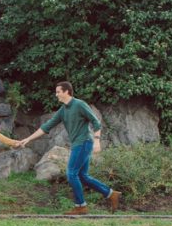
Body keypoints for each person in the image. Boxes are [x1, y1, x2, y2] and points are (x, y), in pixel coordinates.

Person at [16, 81, 121, 215]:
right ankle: (111, 194)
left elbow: (96, 121)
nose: (56, 95)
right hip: (79, 143)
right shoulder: (63, 110)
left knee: (71, 173)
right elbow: (46, 127)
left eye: (58, 92)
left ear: (66, 92)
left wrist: (97, 141)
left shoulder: (79, 104)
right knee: (82, 176)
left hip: (84, 142)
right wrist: (28, 139)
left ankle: (81, 206)